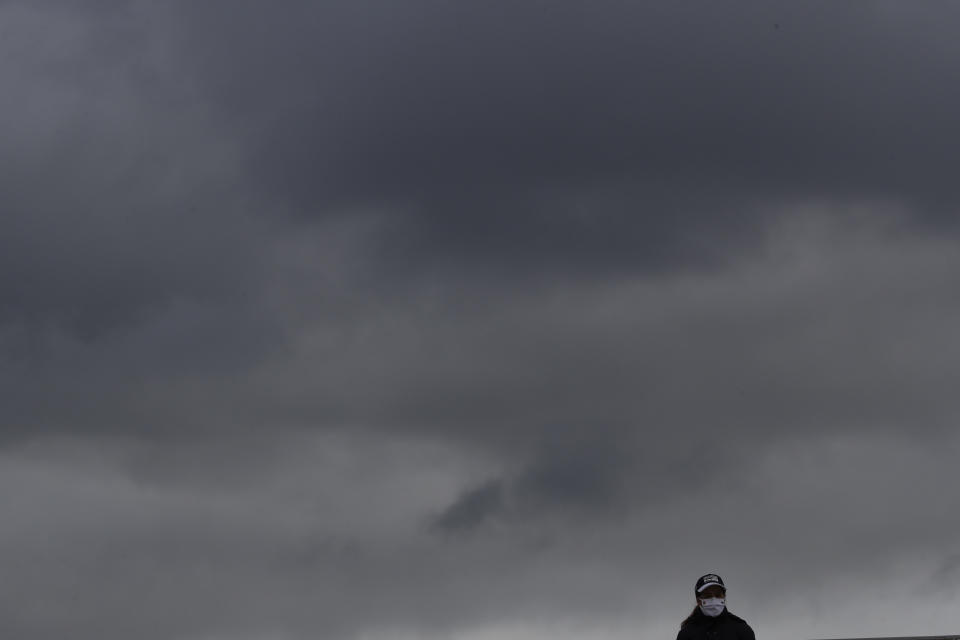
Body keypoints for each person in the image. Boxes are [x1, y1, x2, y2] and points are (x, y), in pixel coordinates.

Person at [677, 573, 755, 640]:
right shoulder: (687, 633)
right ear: (698, 600)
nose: (713, 599)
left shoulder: (742, 630)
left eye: (718, 595)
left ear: (724, 597)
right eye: (707, 595)